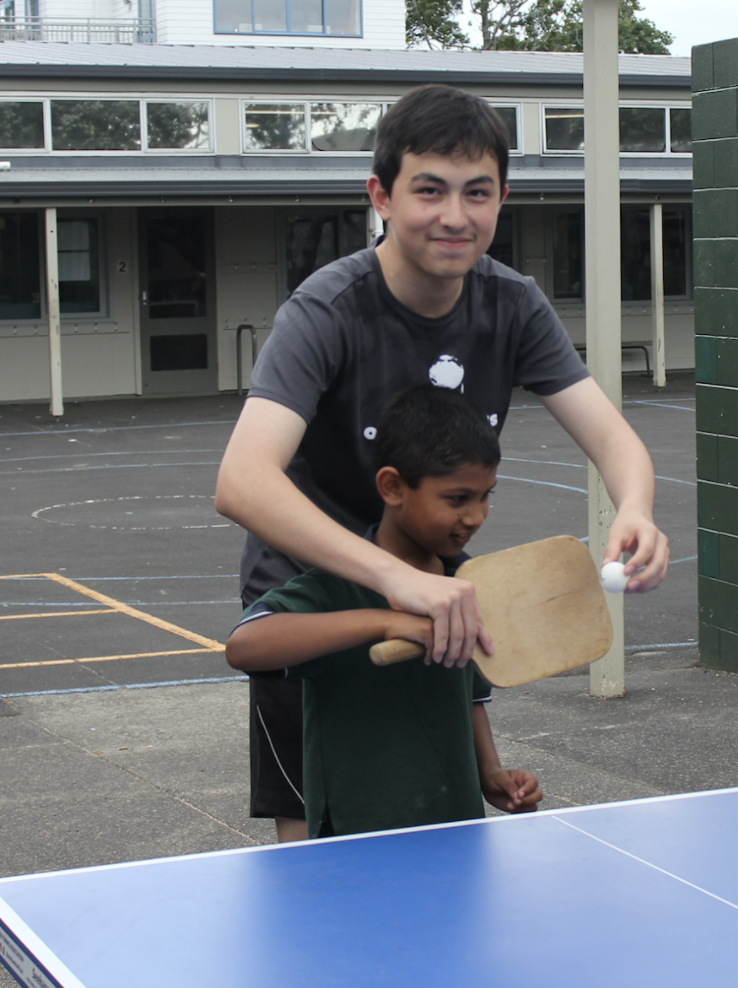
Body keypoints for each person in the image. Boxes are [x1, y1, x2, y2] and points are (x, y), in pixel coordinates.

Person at [215, 83, 668, 842]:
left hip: (434, 603)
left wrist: (636, 508)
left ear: (501, 200)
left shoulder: (512, 305)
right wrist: (394, 580)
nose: (455, 215)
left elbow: (613, 438)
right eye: (429, 189)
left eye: (477, 193)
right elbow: (242, 480)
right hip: (314, 607)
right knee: (315, 853)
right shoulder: (327, 310)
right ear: (381, 195)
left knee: (435, 811)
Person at [225, 385, 543, 839]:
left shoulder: (465, 585)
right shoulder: (336, 588)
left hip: (456, 834)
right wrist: (387, 622)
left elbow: (468, 695)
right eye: (457, 499)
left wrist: (490, 773)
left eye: (485, 496)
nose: (476, 516)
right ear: (393, 487)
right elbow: (245, 647)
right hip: (355, 842)